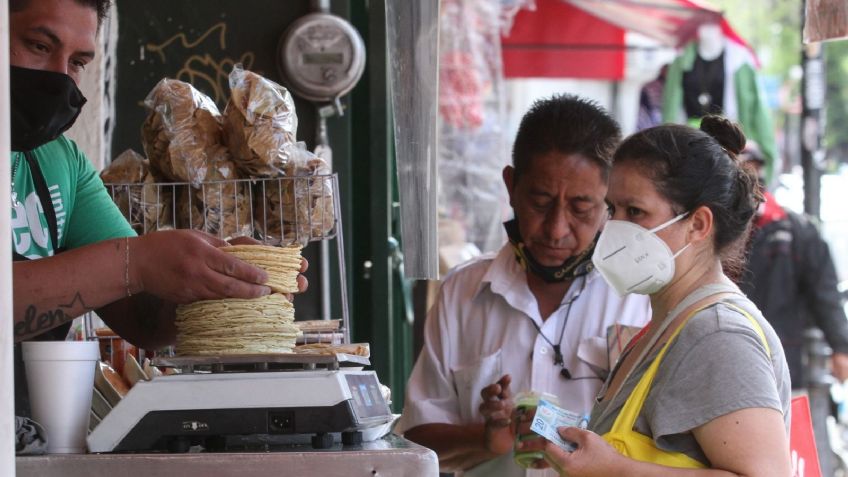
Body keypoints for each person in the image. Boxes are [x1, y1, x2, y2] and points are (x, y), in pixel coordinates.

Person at [8, 0, 307, 420]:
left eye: (77, 62)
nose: (61, 77)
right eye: (39, 45)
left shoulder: (60, 161)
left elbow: (142, 318)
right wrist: (138, 262)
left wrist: (210, 276)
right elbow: (132, 268)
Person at [519, 117, 792, 475]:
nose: (615, 229)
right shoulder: (666, 324)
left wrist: (614, 469)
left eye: (636, 212)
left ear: (698, 225)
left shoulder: (718, 335)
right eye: (613, 210)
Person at [396, 94, 651, 476]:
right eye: (540, 201)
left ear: (609, 203)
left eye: (581, 208)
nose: (556, 228)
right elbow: (417, 441)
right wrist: (485, 438)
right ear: (511, 186)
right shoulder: (463, 293)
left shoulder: (640, 300)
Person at [739, 142, 848, 387]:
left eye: (746, 167)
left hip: (782, 360)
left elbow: (825, 293)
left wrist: (841, 347)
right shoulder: (708, 228)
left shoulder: (797, 231)